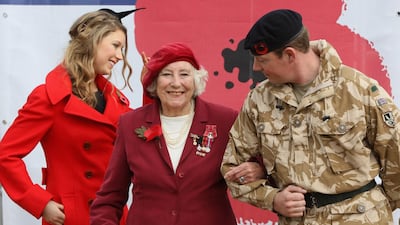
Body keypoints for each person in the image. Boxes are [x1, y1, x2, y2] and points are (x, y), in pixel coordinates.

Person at [221, 9, 400, 225]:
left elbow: (396, 159)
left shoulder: (359, 90)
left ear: (290, 55)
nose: (256, 68)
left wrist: (374, 208)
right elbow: (232, 167)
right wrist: (273, 199)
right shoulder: (259, 100)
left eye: (263, 61)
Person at [89, 42, 265, 225]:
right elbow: (109, 198)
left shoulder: (225, 120)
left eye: (184, 74)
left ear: (196, 80)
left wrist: (258, 169)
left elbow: (263, 163)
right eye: (166, 74)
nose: (176, 83)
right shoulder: (130, 124)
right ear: (154, 82)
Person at [0, 8, 143, 225]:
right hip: (71, 217)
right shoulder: (49, 97)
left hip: (113, 216)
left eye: (122, 49)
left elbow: (145, 139)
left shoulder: (116, 100)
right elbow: (6, 156)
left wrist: (152, 91)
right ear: (92, 39)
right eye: (116, 46)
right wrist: (39, 202)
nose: (120, 56)